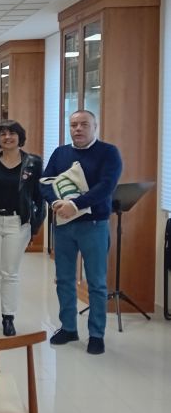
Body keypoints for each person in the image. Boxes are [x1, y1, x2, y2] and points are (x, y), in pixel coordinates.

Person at [41, 110, 122, 355]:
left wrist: (75, 204)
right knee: (64, 279)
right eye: (74, 125)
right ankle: (68, 328)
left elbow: (106, 187)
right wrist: (56, 204)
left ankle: (96, 334)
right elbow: (45, 181)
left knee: (96, 282)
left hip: (94, 225)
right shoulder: (60, 153)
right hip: (64, 226)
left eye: (84, 124)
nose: (78, 129)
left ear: (95, 127)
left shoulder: (109, 153)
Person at [0, 120, 46, 336]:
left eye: (12, 133)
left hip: (18, 222)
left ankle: (8, 318)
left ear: (20, 137)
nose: (7, 137)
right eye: (3, 133)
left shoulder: (33, 163)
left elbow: (39, 197)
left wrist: (35, 225)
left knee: (10, 273)